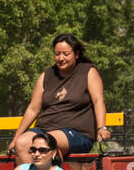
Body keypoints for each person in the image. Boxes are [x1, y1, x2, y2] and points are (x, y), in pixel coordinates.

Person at [7, 33, 110, 163]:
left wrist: (102, 128)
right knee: (22, 143)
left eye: (66, 54)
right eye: (57, 54)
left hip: (77, 133)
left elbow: (98, 101)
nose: (61, 58)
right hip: (45, 128)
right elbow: (33, 109)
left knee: (44, 144)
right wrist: (15, 139)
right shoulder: (46, 75)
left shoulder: (88, 71)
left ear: (76, 54)